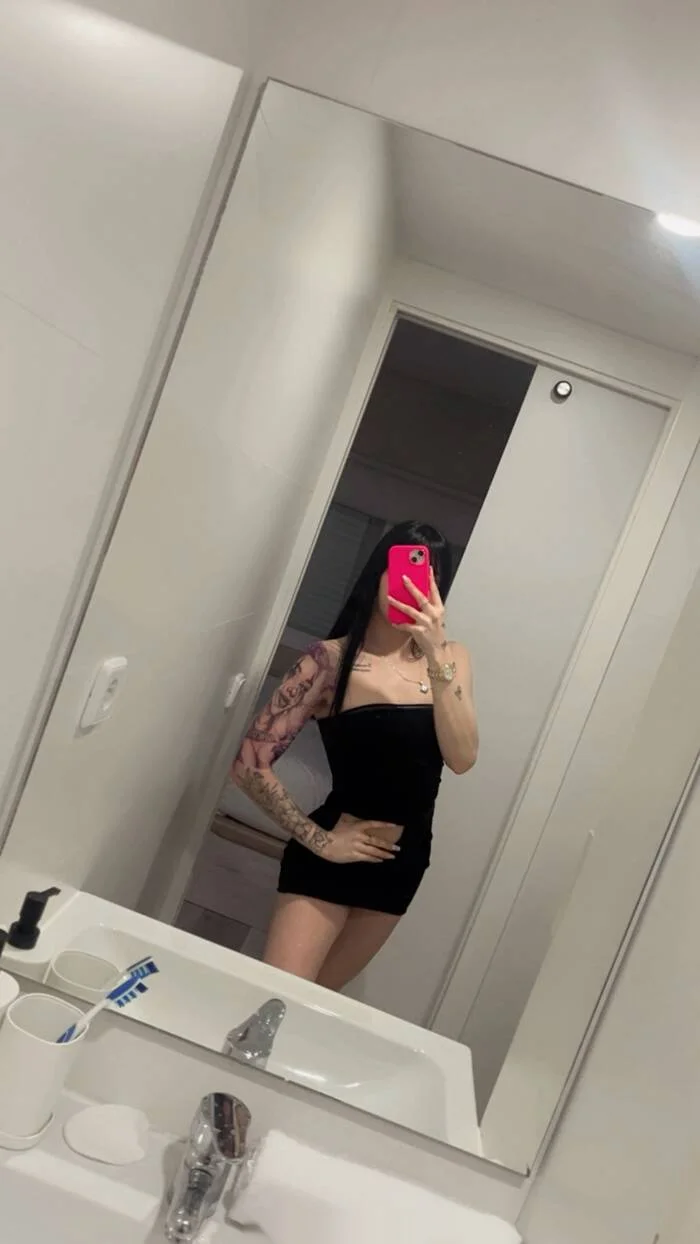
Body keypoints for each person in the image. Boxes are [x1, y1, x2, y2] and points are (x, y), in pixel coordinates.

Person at [232, 520, 478, 990]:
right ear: (377, 575)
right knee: (274, 1002)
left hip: (403, 863)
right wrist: (319, 841)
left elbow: (462, 757)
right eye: (402, 574)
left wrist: (434, 654)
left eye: (426, 582)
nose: (412, 590)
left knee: (321, 1008)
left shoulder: (452, 659)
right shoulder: (328, 661)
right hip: (328, 860)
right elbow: (248, 765)